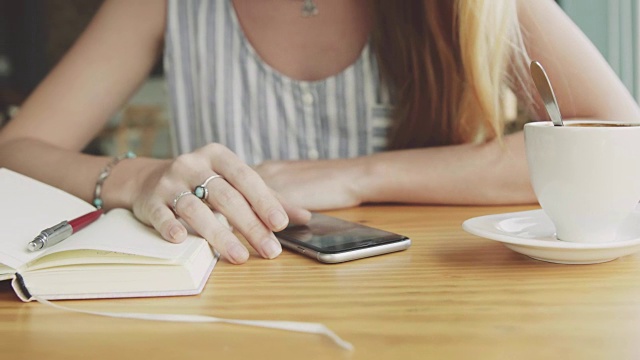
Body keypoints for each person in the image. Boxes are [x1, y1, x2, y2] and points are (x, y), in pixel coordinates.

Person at [0, 0, 638, 264]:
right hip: (233, 311)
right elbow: (15, 150)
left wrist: (358, 175)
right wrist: (140, 175)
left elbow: (626, 140)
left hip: (431, 307)